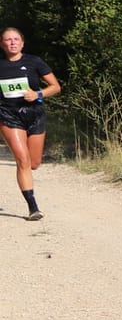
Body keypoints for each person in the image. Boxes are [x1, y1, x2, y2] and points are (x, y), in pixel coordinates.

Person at [0, 27, 61, 221]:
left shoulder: (34, 62)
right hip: (9, 116)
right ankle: (33, 207)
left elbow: (56, 87)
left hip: (35, 115)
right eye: (8, 40)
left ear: (22, 43)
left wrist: (38, 94)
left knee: (34, 163)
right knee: (23, 160)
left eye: (16, 39)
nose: (12, 42)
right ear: (2, 44)